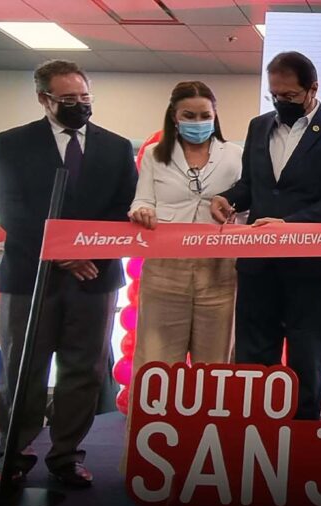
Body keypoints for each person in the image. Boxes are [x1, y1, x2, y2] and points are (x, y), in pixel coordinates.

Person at [0, 59, 137, 488]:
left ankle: (67, 455)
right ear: (44, 98)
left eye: (85, 97)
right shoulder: (12, 143)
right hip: (30, 276)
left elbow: (124, 206)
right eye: (68, 98)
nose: (80, 105)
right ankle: (13, 457)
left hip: (94, 276)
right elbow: (7, 205)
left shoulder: (116, 146)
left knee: (84, 371)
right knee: (22, 369)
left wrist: (86, 251)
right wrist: (61, 253)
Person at [210, 52, 321, 420]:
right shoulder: (259, 126)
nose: (281, 101)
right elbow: (252, 186)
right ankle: (252, 437)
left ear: (313, 89)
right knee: (252, 360)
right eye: (275, 95)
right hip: (258, 266)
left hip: (313, 270)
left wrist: (288, 225)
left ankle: (300, 441)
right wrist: (227, 199)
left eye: (290, 95)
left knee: (306, 362)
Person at [128, 81, 241, 370]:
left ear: (215, 116)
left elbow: (245, 205)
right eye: (189, 116)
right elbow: (142, 200)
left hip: (219, 270)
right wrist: (141, 211)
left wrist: (234, 211)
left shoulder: (235, 154)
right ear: (174, 116)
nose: (198, 122)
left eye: (205, 115)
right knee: (156, 362)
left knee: (214, 364)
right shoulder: (154, 154)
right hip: (164, 269)